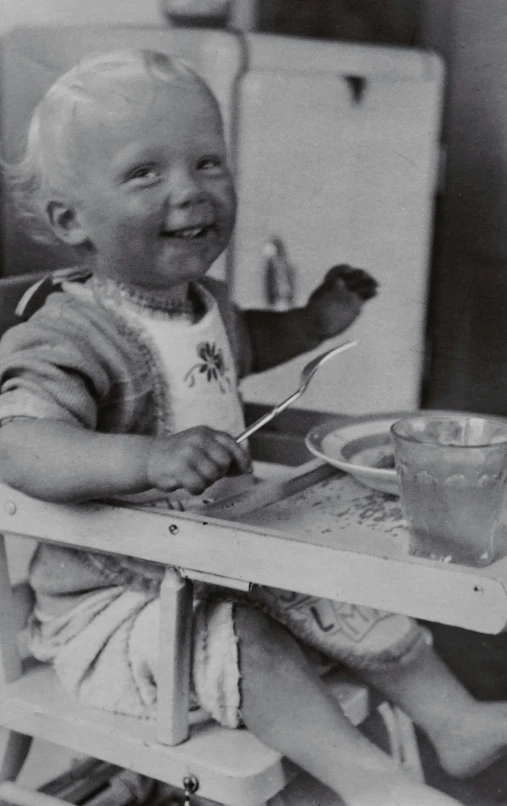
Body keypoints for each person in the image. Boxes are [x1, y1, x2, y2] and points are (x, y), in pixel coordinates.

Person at [0, 49, 504, 806]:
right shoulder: (71, 332)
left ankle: (454, 720)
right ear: (71, 220)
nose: (191, 192)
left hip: (220, 556)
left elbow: (245, 348)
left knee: (345, 594)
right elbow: (22, 444)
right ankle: (374, 786)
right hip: (119, 602)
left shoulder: (204, 303)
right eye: (146, 173)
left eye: (208, 162)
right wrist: (149, 458)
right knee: (251, 638)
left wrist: (315, 320)